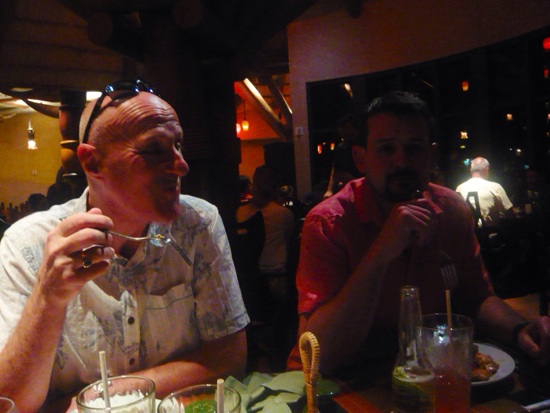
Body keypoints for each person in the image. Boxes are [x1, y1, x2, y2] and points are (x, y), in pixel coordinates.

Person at [0, 79, 249, 413]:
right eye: (154, 149)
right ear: (93, 163)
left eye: (178, 145)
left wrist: (106, 398)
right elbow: (10, 403)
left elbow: (229, 357)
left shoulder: (198, 224)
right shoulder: (27, 245)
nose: (181, 164)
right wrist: (48, 296)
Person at [286, 91, 550, 376]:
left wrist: (521, 329)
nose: (402, 161)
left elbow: (477, 297)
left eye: (414, 148)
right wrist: (381, 252)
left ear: (431, 155)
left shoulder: (451, 210)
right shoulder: (327, 222)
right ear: (361, 159)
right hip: (340, 382)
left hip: (427, 374)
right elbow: (319, 355)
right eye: (386, 148)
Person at [456, 157, 514, 227]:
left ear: (470, 170)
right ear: (487, 169)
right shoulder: (495, 187)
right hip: (489, 232)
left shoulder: (459, 188)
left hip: (467, 232)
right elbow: (510, 214)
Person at [322, 114, 363, 199]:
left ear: (358, 131)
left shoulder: (366, 148)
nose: (347, 139)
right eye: (344, 137)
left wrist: (352, 179)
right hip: (343, 189)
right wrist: (329, 190)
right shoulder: (341, 148)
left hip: (362, 190)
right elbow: (335, 170)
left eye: (350, 135)